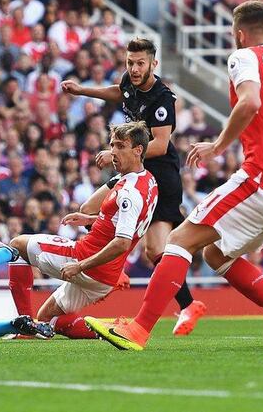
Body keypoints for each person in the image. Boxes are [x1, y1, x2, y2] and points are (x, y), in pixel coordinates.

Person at [86, 0, 263, 350]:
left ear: (239, 34)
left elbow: (249, 102)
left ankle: (138, 329)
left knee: (178, 241)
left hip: (260, 180)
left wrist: (217, 146)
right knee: (216, 254)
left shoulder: (244, 57)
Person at [61, 38, 207, 336]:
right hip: (133, 171)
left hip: (159, 177)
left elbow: (161, 144)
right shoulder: (130, 80)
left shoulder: (162, 98)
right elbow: (120, 93)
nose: (134, 68)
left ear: (154, 63)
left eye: (140, 63)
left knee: (156, 248)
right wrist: (82, 90)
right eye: (130, 62)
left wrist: (116, 153)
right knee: (89, 209)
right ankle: (113, 269)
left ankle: (188, 304)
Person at [7, 122, 157, 339]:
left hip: (86, 260)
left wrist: (80, 266)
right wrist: (92, 218)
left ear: (138, 150)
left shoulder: (129, 192)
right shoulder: (149, 181)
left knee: (17, 245)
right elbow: (129, 225)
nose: (113, 152)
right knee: (47, 316)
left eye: (121, 146)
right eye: (112, 145)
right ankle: (105, 330)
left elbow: (123, 242)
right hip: (106, 278)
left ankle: (26, 329)